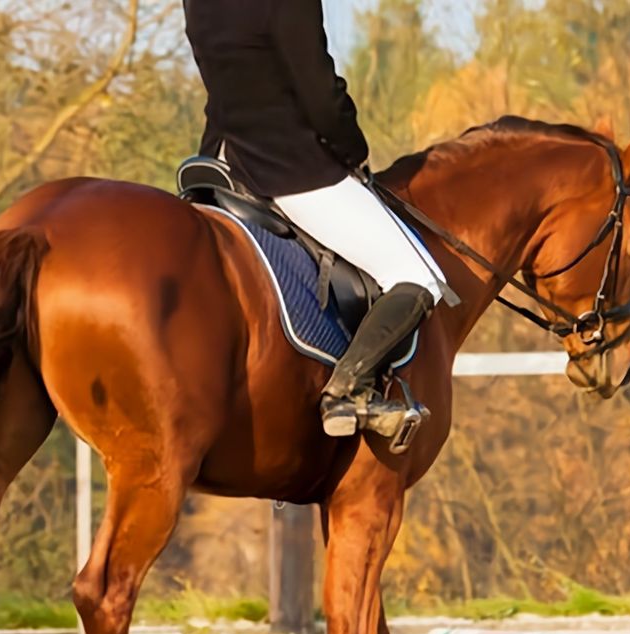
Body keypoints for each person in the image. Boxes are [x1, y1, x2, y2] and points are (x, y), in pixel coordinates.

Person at [184, 0, 447, 437]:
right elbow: (321, 94)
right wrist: (353, 152)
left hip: (220, 159)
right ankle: (348, 391)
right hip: (286, 166)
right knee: (418, 275)